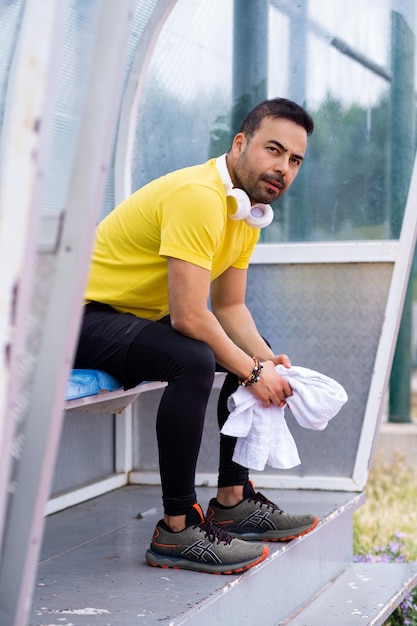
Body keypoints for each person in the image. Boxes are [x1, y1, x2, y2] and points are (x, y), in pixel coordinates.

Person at [74, 97, 318, 575]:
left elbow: (229, 308)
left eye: (294, 160)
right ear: (240, 143)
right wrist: (252, 373)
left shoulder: (247, 211)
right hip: (81, 318)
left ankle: (232, 499)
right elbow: (190, 316)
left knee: (244, 347)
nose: (283, 168)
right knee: (195, 357)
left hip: (133, 317)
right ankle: (178, 528)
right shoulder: (199, 196)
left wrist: (265, 360)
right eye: (274, 150)